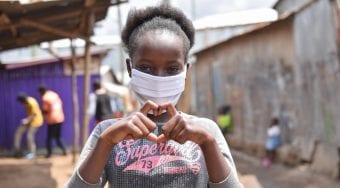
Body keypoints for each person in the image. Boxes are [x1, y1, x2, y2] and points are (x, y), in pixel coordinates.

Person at [67, 4, 243, 188]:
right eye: (146, 68)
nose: (159, 78)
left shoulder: (206, 131)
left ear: (185, 71)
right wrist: (106, 142)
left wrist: (207, 143)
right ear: (130, 68)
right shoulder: (108, 132)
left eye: (172, 69)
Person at [38, 85, 67, 158]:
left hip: (52, 119)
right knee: (58, 136)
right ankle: (64, 150)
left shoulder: (45, 98)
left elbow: (46, 110)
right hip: (60, 117)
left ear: (41, 92)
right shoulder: (54, 95)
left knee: (49, 138)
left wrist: (39, 113)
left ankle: (49, 153)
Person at [14, 93, 43, 159]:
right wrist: (27, 120)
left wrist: (27, 120)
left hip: (36, 121)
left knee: (29, 136)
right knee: (18, 132)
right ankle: (17, 150)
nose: (21, 103)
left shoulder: (31, 103)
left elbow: (34, 114)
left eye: (21, 102)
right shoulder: (26, 102)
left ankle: (32, 153)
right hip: (30, 121)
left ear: (23, 100)